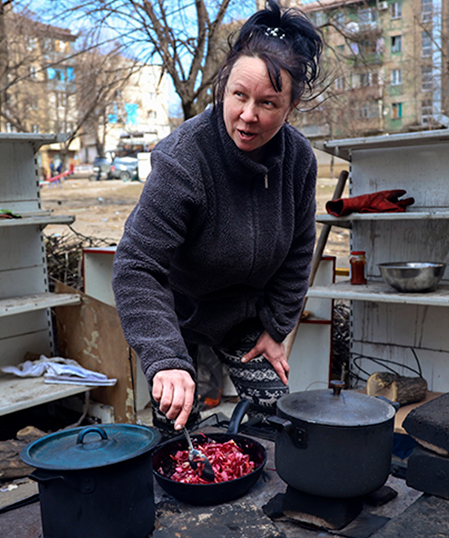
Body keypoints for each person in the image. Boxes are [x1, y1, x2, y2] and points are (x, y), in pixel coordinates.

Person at [112, 0, 323, 435]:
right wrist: (165, 360)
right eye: (239, 96)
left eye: (267, 103)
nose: (248, 116)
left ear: (291, 105)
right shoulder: (183, 160)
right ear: (224, 85)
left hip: (241, 312)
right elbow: (136, 268)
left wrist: (277, 327)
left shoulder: (298, 160)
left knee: (272, 411)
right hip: (175, 309)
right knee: (176, 426)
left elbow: (300, 250)